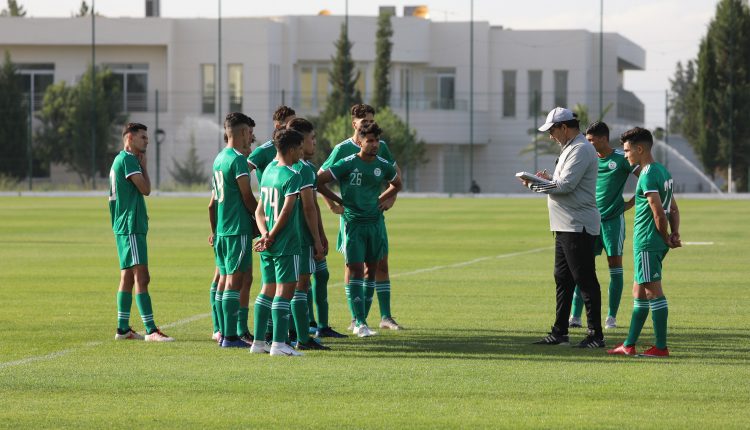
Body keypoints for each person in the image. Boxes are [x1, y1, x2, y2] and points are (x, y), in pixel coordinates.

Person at [520, 107, 604, 348]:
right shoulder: (570, 148)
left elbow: (565, 186)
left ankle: (596, 335)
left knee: (585, 280)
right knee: (563, 279)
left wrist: (533, 185)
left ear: (564, 127)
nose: (550, 136)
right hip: (565, 224)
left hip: (578, 225)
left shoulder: (580, 149)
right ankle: (560, 332)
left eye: (552, 130)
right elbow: (561, 183)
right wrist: (543, 180)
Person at [319, 104, 403, 331]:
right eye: (364, 121)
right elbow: (319, 178)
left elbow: (395, 176)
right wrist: (334, 204)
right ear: (354, 123)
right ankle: (357, 318)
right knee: (353, 266)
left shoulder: (380, 147)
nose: (368, 124)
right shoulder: (342, 150)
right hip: (352, 219)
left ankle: (384, 316)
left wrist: (387, 199)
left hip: (374, 218)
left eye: (371, 120)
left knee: (379, 263)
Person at [608, 127, 680, 357]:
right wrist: (674, 232)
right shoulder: (663, 171)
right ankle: (628, 345)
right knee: (638, 292)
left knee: (653, 292)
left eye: (628, 150)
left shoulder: (648, 173)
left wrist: (664, 236)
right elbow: (674, 207)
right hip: (653, 241)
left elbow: (658, 212)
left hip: (648, 242)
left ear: (640, 149)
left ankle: (660, 347)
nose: (626, 155)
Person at [569, 121, 639, 330]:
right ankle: (575, 317)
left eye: (591, 140)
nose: (588, 143)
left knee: (614, 267)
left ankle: (611, 317)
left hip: (612, 223)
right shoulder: (587, 159)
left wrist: (630, 203)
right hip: (589, 221)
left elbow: (644, 177)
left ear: (602, 139)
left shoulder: (620, 158)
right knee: (582, 269)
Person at [109, 122, 173, 342]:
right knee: (142, 277)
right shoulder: (128, 160)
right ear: (129, 138)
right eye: (142, 137)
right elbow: (146, 189)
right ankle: (151, 329)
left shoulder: (120, 159)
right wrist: (144, 166)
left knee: (127, 276)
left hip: (124, 225)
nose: (146, 140)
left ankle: (122, 328)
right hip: (130, 226)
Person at [286, 118, 347, 340]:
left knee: (316, 277)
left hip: (306, 236)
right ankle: (295, 334)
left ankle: (318, 326)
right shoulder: (298, 169)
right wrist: (316, 238)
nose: (315, 143)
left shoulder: (306, 168)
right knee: (296, 286)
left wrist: (321, 234)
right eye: (312, 139)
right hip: (299, 238)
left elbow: (314, 204)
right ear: (301, 142)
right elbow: (308, 208)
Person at [250, 129, 306, 356]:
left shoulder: (270, 171)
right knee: (285, 291)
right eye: (300, 148)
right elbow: (286, 210)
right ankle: (279, 344)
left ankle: (257, 343)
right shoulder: (294, 175)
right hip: (286, 243)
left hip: (268, 244)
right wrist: (272, 234)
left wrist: (264, 234)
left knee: (266, 290)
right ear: (292, 149)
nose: (302, 152)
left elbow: (259, 210)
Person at [212, 112, 258, 348]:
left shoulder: (219, 158)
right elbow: (247, 197)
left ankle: (223, 332)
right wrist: (263, 219)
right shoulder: (238, 160)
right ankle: (230, 336)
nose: (251, 137)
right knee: (234, 281)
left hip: (223, 229)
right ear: (241, 132)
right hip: (237, 227)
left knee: (227, 279)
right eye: (249, 133)